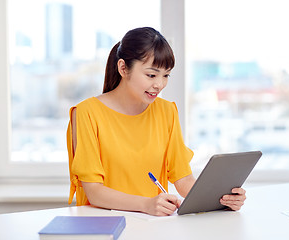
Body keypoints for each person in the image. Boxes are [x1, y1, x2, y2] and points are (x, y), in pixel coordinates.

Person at [66, 27, 246, 216]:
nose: (159, 84)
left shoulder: (166, 111)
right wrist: (146, 204)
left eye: (166, 75)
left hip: (152, 225)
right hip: (104, 224)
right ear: (123, 68)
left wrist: (222, 199)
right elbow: (94, 192)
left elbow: (183, 180)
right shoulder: (87, 113)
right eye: (151, 75)